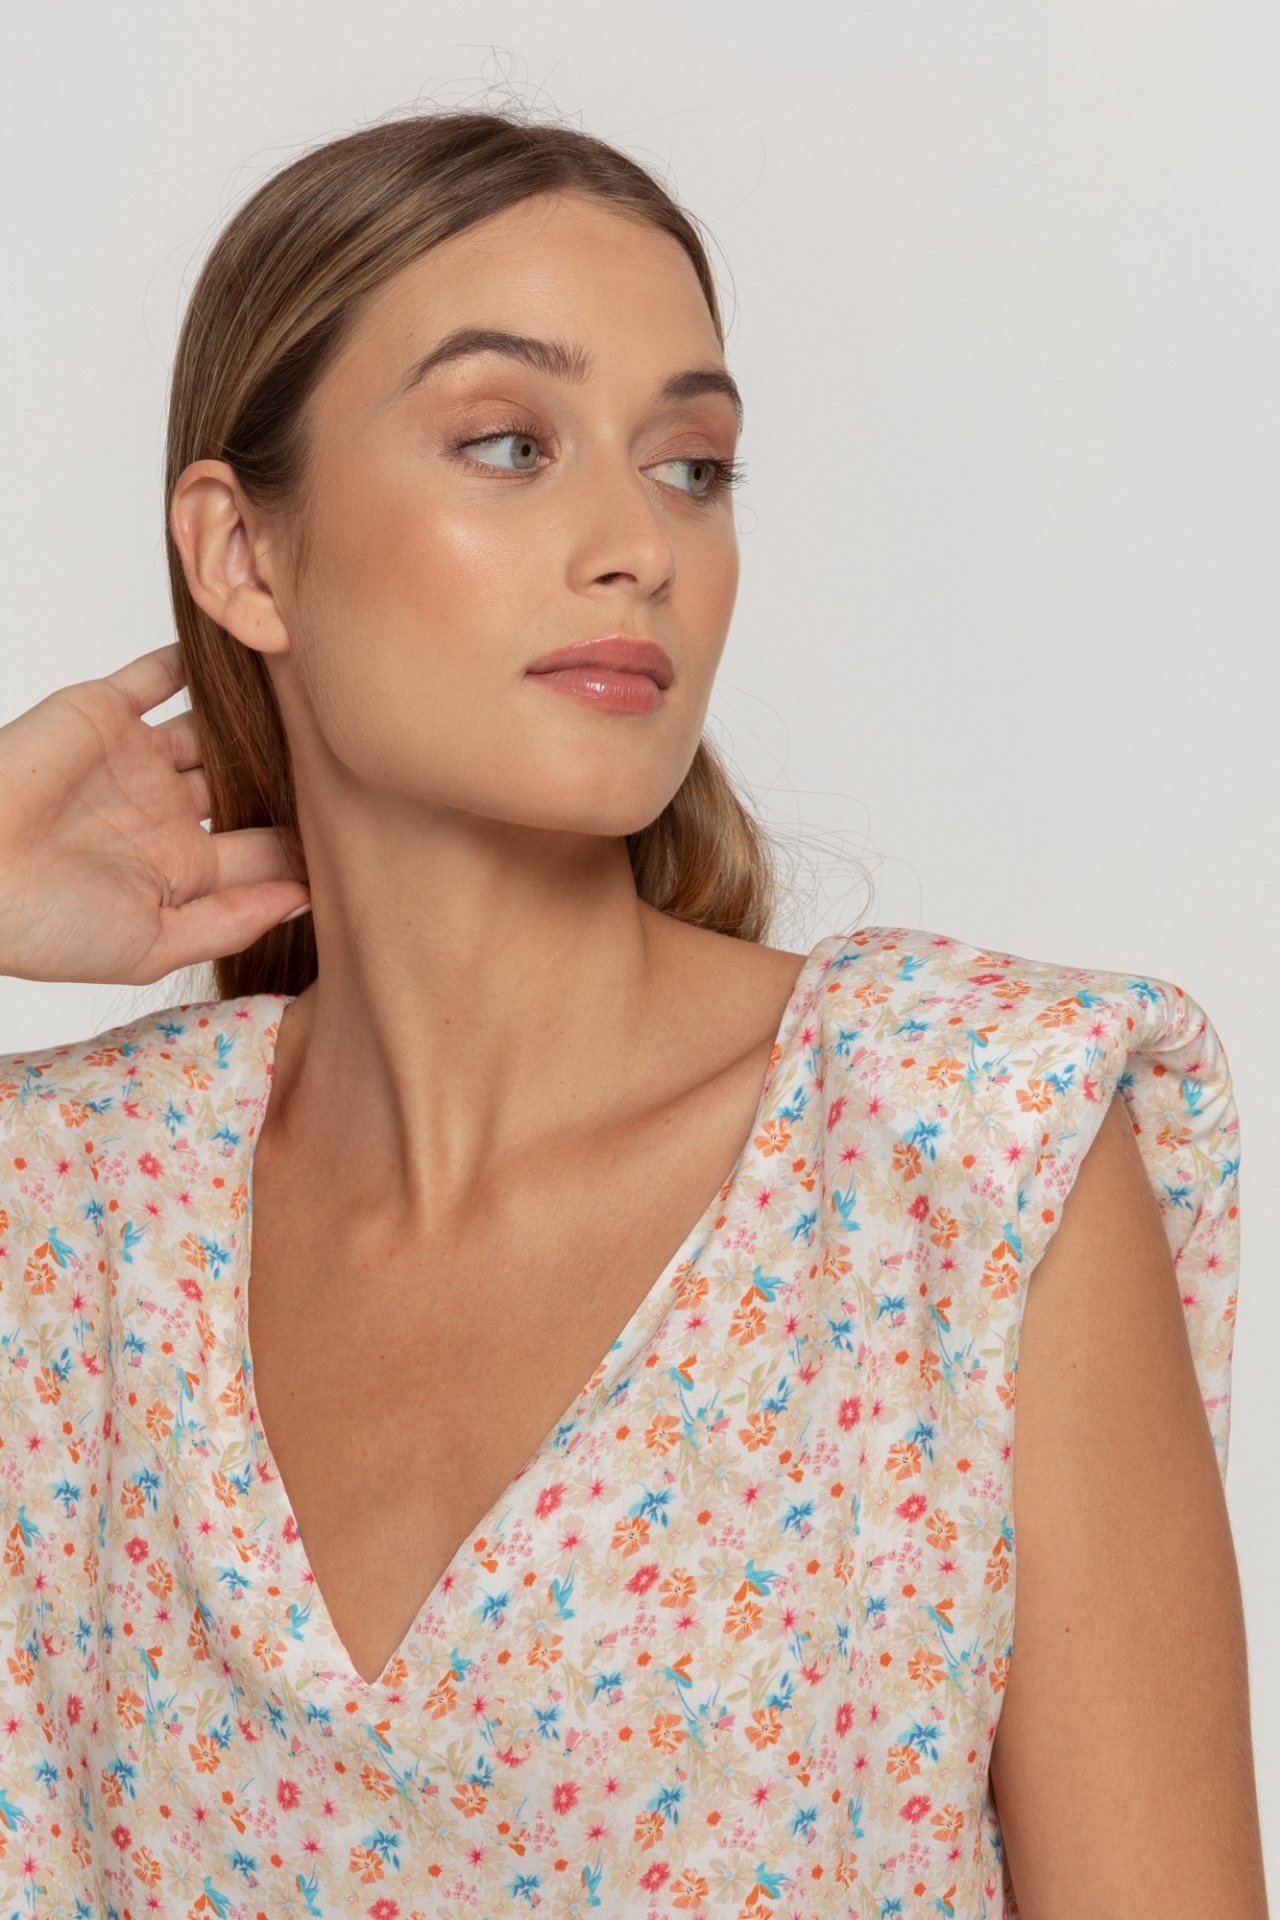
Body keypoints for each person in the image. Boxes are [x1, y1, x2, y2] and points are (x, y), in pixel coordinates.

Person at [0, 112, 1265, 1920]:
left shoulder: (962, 1144)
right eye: (510, 444)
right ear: (244, 557)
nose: (636, 545)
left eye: (691, 467)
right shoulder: (63, 1212)